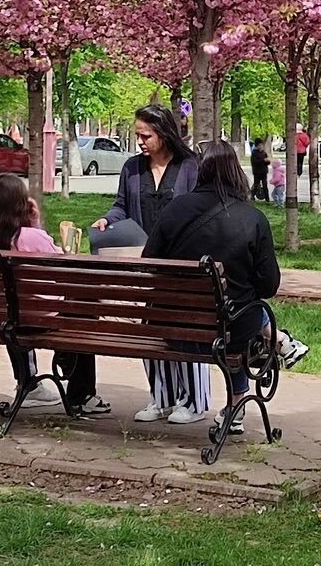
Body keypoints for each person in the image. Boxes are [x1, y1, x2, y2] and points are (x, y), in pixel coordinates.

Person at [141, 140, 304, 433]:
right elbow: (268, 286)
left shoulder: (174, 208)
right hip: (229, 334)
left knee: (235, 313)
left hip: (175, 331)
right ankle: (245, 390)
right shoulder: (253, 218)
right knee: (242, 312)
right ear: (236, 172)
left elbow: (149, 264)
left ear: (201, 171)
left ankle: (236, 404)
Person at [90, 104, 202, 423]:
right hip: (144, 260)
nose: (139, 140)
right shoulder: (131, 168)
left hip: (183, 262)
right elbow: (121, 207)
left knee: (185, 328)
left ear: (164, 133)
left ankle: (192, 401)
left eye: (145, 135)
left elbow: (202, 209)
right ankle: (161, 397)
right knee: (150, 329)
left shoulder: (191, 166)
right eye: (137, 134)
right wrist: (105, 220)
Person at [0, 174, 67, 408]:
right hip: (41, 317)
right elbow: (62, 264)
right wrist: (35, 224)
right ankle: (82, 393)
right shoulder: (31, 237)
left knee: (12, 310)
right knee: (81, 311)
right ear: (22, 204)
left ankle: (26, 382)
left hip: (4, 317)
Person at [250, 137, 270, 201]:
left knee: (265, 185)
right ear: (256, 146)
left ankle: (267, 198)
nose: (260, 146)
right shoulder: (254, 153)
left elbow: (267, 161)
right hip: (257, 171)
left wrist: (267, 161)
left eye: (261, 145)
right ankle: (252, 196)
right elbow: (255, 162)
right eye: (259, 145)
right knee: (256, 184)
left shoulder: (264, 153)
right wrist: (263, 160)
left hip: (264, 171)